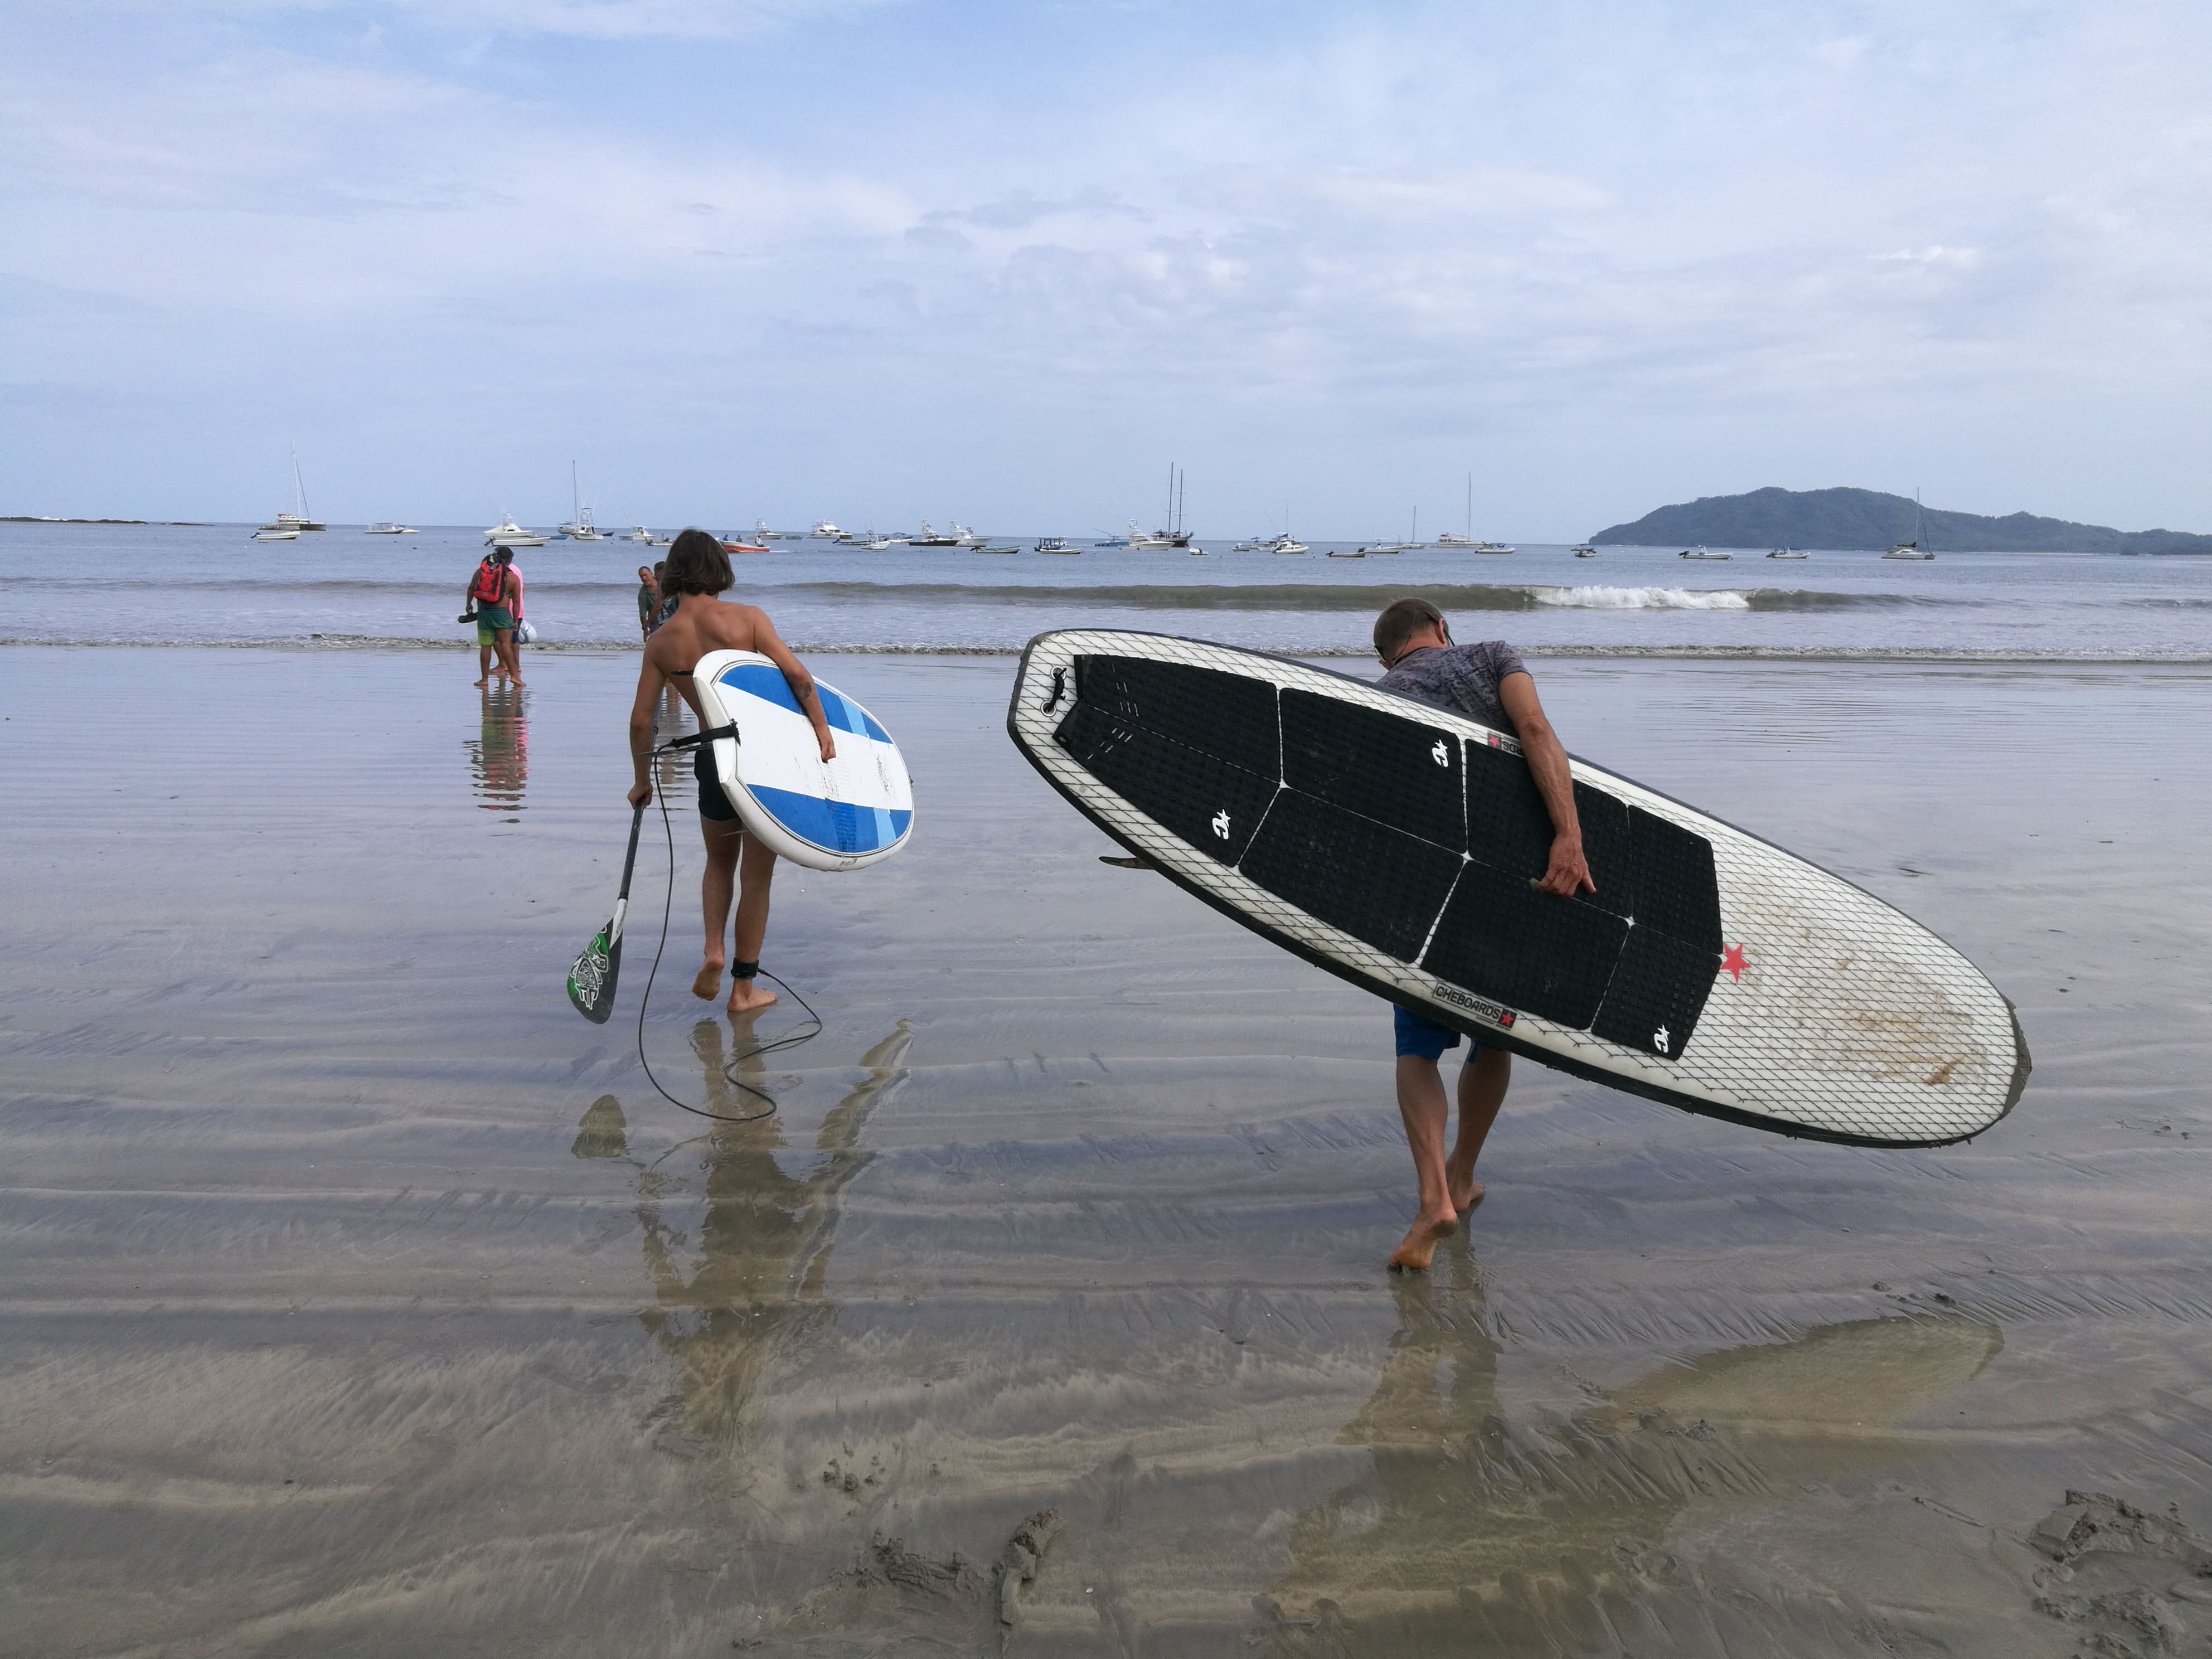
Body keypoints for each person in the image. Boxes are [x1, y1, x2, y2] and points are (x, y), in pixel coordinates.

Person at [1370, 598, 1593, 1272]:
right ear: (1440, 627)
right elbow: (1533, 729)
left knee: (1417, 1046)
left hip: (1423, 891)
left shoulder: (1375, 696)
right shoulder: (1492, 655)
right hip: (1507, 884)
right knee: (1492, 1033)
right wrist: (1568, 835)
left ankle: (1434, 1195)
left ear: (1389, 655)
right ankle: (1462, 1174)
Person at [627, 529, 835, 1014]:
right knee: (757, 877)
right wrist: (823, 732)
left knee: (719, 862)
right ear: (719, 568)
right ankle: (744, 988)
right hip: (760, 760)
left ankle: (713, 950)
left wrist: (641, 780)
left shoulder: (661, 641)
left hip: (711, 758)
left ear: (675, 572)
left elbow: (641, 721)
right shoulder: (748, 620)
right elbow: (798, 676)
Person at [466, 547, 525, 687]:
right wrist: (515, 620)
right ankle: (515, 677)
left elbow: (471, 588)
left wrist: (468, 605)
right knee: (506, 645)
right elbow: (516, 601)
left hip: (484, 613)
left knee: (486, 646)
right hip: (502, 614)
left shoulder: (480, 572)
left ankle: (484, 680)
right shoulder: (512, 577)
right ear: (510, 561)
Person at [636, 564, 661, 642]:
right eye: (641, 577)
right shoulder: (643, 594)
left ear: (652, 573)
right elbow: (643, 614)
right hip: (655, 620)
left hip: (670, 615)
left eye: (645, 575)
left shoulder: (662, 582)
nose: (644, 578)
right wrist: (645, 630)